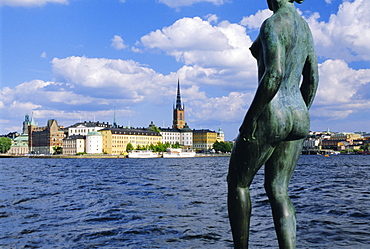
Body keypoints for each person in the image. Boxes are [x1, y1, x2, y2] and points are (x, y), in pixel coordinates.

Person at [227, 0, 318, 248]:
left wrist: (250, 121)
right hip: (298, 114)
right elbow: (311, 80)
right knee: (279, 190)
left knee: (238, 183)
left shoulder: (272, 24)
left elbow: (274, 74)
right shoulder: (305, 28)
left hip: (272, 111)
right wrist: (298, 111)